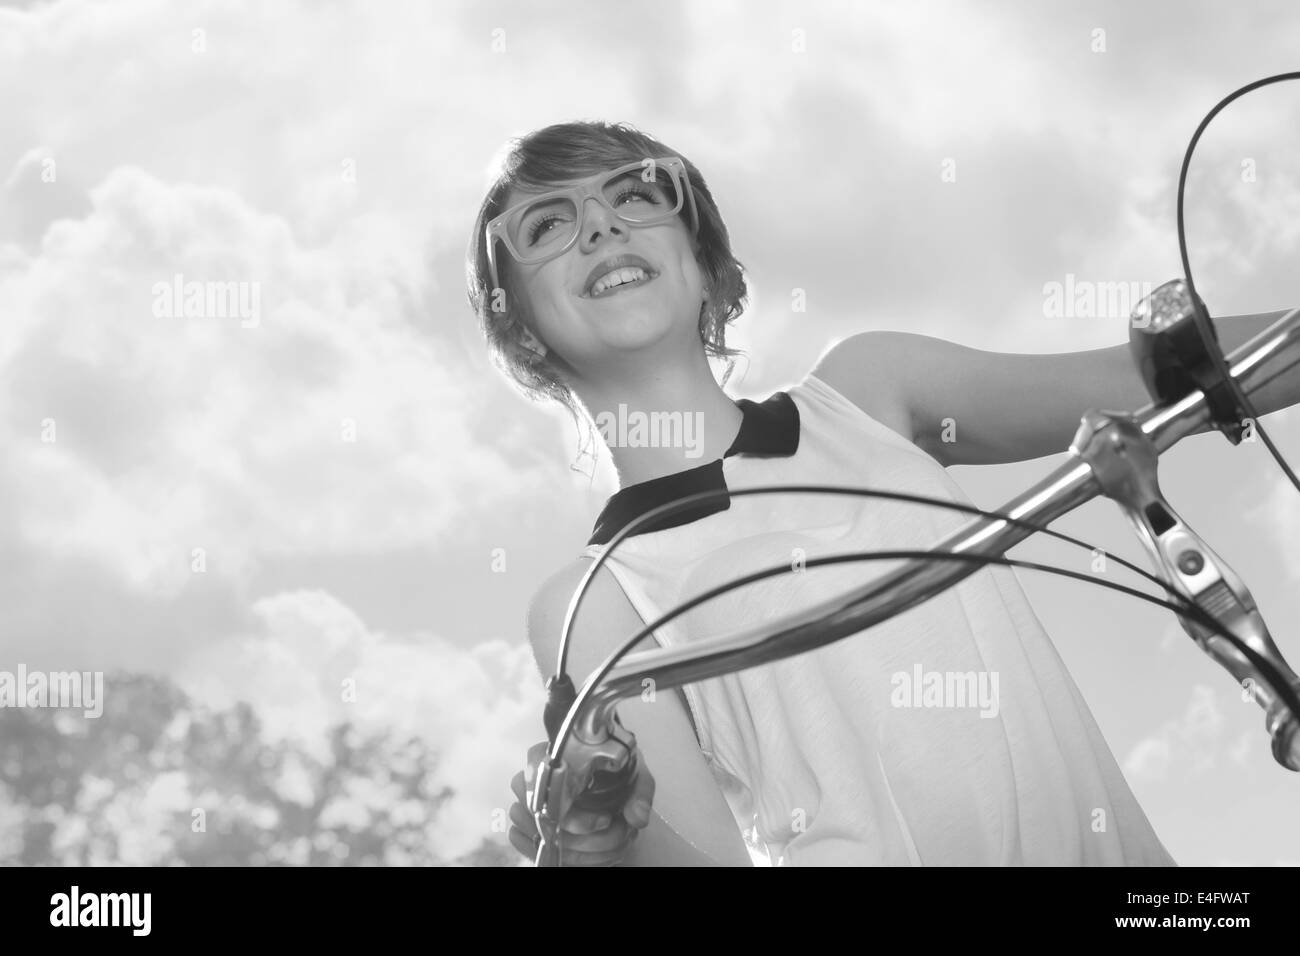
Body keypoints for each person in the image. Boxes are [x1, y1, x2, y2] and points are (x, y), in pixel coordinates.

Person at [465, 120, 1294, 866]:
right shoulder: (589, 600)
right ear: (520, 327)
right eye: (547, 224)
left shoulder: (869, 391)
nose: (602, 225)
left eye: (636, 193)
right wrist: (612, 845)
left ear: (706, 261)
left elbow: (1170, 378)